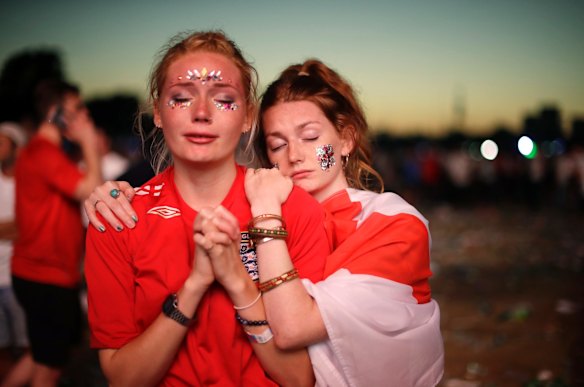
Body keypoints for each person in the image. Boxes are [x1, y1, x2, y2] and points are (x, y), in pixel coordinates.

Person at [87, 59, 444, 386]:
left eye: (311, 137)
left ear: (346, 139)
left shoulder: (392, 221)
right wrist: (115, 194)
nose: (295, 155)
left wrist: (267, 212)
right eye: (277, 143)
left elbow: (291, 329)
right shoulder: (260, 212)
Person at [83, 30, 328, 386]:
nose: (201, 113)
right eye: (181, 98)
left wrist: (237, 281)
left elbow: (300, 378)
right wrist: (194, 286)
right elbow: (123, 379)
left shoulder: (294, 209)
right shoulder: (118, 217)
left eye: (224, 99)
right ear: (158, 113)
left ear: (247, 117)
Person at [11, 79, 103, 387]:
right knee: (50, 367)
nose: (83, 115)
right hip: (45, 275)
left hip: (39, 272)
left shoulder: (40, 152)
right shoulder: (43, 152)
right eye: (76, 108)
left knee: (40, 355)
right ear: (56, 112)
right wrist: (89, 141)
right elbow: (92, 191)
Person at [0, 122, 33, 387]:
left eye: (3, 141)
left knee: (26, 346)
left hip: (17, 277)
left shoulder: (28, 182)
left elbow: (29, 227)